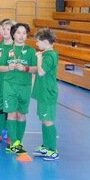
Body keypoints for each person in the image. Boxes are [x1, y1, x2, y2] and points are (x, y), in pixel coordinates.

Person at [0, 23, 37, 154]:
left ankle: (19, 142)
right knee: (11, 113)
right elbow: (0, 67)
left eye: (24, 33)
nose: (21, 36)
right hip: (9, 85)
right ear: (13, 35)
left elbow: (36, 69)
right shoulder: (7, 50)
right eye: (19, 33)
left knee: (21, 114)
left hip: (25, 86)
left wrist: (25, 68)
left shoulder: (31, 51)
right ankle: (14, 143)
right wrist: (8, 67)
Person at [32, 28, 60, 161]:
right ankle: (46, 146)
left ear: (45, 41)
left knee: (48, 120)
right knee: (44, 120)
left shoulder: (50, 55)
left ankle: (53, 150)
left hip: (48, 93)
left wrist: (38, 58)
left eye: (38, 41)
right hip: (43, 92)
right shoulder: (47, 54)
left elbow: (41, 72)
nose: (36, 44)